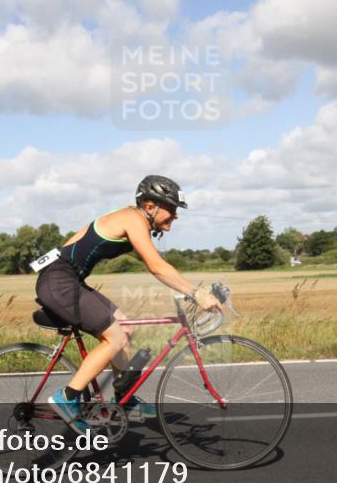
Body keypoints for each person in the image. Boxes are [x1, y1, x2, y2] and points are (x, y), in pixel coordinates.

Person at [36, 175, 222, 433]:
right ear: (149, 206)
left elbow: (72, 244)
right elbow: (156, 266)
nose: (175, 215)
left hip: (66, 280)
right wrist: (195, 293)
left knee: (125, 327)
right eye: (171, 208)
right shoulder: (132, 219)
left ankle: (123, 399)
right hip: (60, 283)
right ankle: (67, 398)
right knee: (115, 338)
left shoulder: (128, 217)